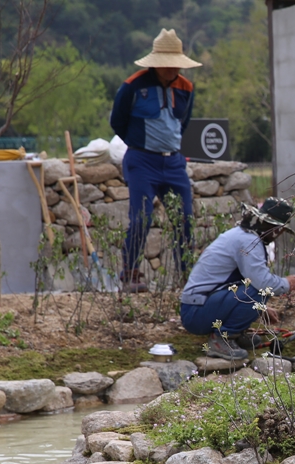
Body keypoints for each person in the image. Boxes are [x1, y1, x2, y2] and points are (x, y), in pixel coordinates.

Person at [109, 28, 200, 293]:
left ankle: (187, 278)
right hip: (141, 161)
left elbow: (183, 124)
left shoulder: (186, 88)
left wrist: (169, 148)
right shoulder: (133, 86)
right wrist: (139, 144)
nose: (173, 69)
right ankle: (130, 273)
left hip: (173, 163)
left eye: (177, 64)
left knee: (185, 219)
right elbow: (118, 121)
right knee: (141, 218)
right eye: (168, 64)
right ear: (157, 62)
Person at [180, 198, 295, 360]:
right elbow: (263, 283)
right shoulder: (248, 241)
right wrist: (286, 283)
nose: (278, 235)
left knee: (255, 290)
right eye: (279, 230)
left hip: (197, 306)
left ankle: (235, 334)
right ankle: (221, 339)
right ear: (274, 227)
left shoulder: (243, 236)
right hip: (196, 313)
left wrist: (260, 308)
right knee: (259, 289)